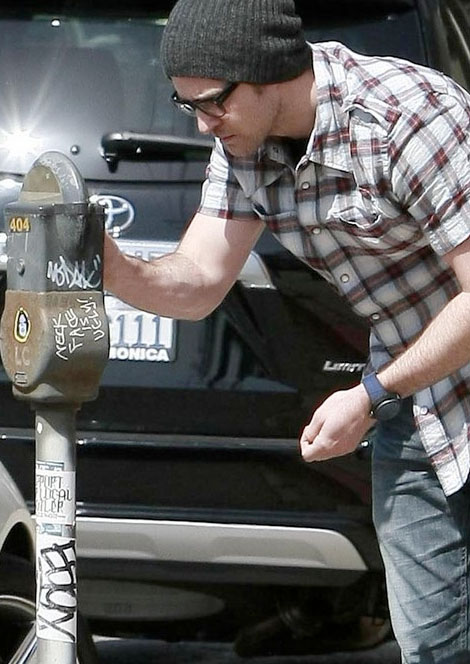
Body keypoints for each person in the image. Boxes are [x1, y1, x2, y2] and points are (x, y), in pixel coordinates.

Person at [103, 0, 470, 661]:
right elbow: (199, 281)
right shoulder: (242, 145)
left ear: (269, 71)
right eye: (187, 105)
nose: (203, 123)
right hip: (417, 410)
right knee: (434, 647)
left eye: (213, 103)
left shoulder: (408, 116)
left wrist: (370, 395)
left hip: (403, 387)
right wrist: (112, 266)